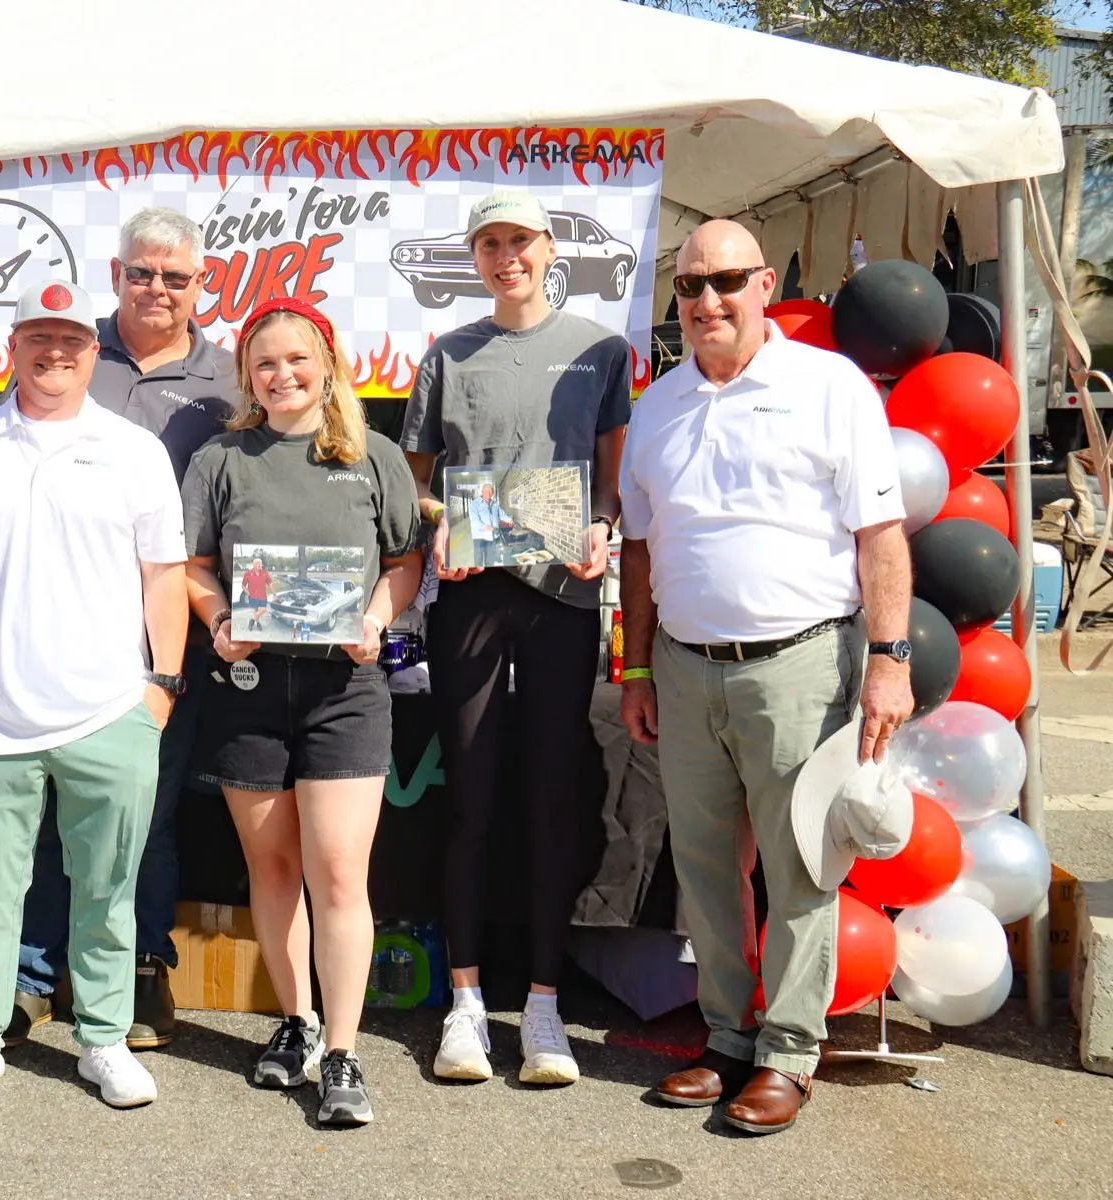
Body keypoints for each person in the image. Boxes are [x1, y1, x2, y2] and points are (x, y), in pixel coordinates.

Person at [619, 220, 913, 1135]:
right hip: (683, 668)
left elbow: (880, 537)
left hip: (800, 665)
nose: (708, 301)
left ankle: (788, 1052)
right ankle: (725, 1038)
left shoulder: (829, 386)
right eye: (690, 286)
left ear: (766, 284)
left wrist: (890, 661)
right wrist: (636, 665)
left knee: (797, 868)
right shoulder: (657, 406)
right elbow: (639, 548)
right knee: (705, 870)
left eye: (726, 281)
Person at [0, 280, 188, 1111]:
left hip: (110, 710)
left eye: (69, 340)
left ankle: (103, 1040)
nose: (54, 353)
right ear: (13, 346)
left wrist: (162, 686)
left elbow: (164, 576)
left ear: (93, 351)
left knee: (108, 890)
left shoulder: (134, 449)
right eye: (38, 338)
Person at [400, 191, 632, 1086]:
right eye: (490, 244)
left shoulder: (601, 351)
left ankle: (542, 1007)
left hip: (561, 600)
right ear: (476, 257)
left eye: (521, 241)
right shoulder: (448, 353)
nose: (507, 258)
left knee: (550, 797)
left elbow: (611, 482)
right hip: (471, 598)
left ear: (548, 248)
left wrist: (601, 526)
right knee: (469, 798)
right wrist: (441, 530)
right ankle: (464, 1005)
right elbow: (417, 485)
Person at [182, 296, 424, 1127]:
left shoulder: (373, 456)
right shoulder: (221, 459)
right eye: (265, 363)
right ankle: (297, 1021)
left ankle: (345, 1052)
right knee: (273, 868)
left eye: (296, 359)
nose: (281, 375)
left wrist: (376, 619)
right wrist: (220, 619)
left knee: (338, 872)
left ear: (327, 365)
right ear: (247, 376)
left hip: (344, 693)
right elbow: (195, 565)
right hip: (249, 690)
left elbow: (403, 561)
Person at [12, 207, 239, 1054]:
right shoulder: (70, 351)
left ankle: (143, 969)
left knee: (148, 811)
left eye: (175, 277)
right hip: (60, 630)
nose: (157, 289)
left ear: (201, 284)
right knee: (47, 810)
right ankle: (34, 975)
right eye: (141, 273)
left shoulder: (228, 383)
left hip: (169, 638)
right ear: (116, 274)